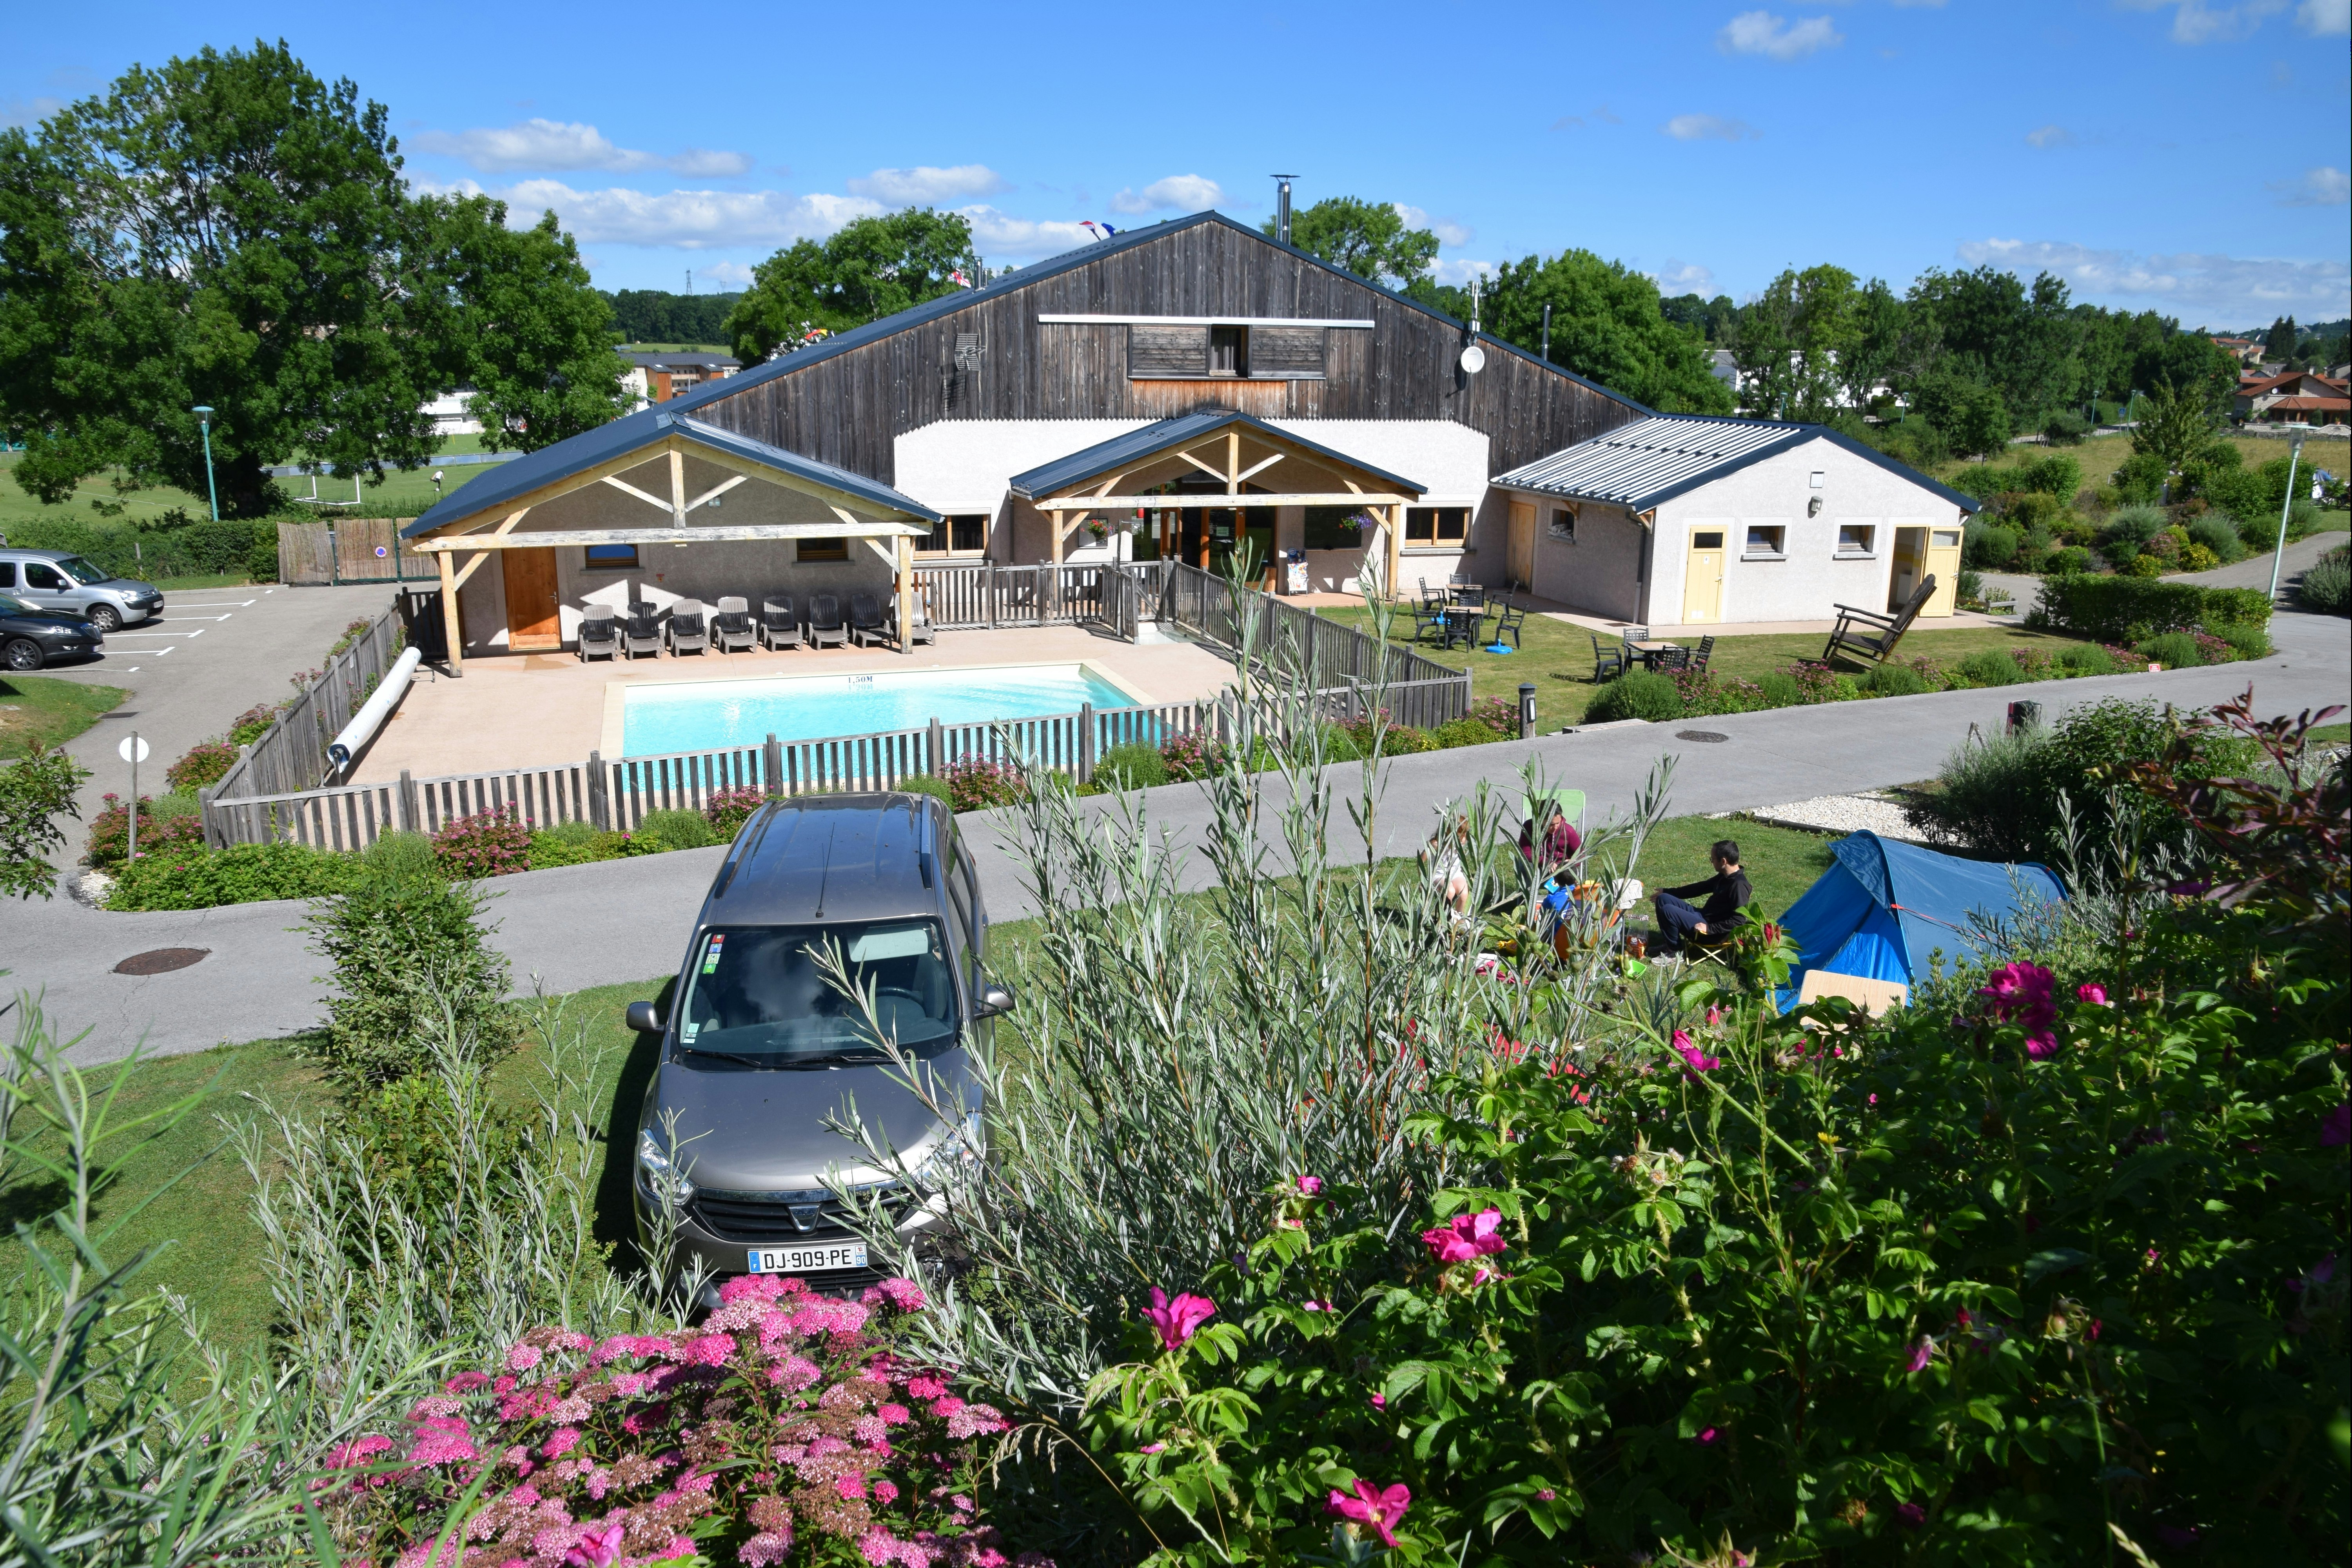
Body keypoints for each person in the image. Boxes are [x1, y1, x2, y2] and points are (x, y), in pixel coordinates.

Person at [1651, 839, 1751, 956]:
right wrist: (1668, 891)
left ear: (1723, 861)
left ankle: (1674, 952)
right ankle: (1669, 944)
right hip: (1703, 917)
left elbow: (1739, 921)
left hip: (1711, 933)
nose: (1712, 862)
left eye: (1712, 859)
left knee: (1668, 911)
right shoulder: (1725, 876)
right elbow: (1701, 888)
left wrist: (1709, 929)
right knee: (1663, 899)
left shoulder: (1738, 885)